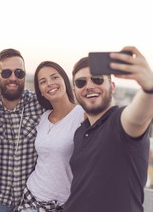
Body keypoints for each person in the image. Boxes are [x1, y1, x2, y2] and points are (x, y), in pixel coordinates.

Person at [64, 46, 153, 212]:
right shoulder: (80, 132)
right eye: (81, 82)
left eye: (97, 79)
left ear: (112, 86)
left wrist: (149, 88)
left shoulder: (120, 122)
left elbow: (138, 115)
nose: (89, 86)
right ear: (75, 91)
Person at [0, 49, 44, 212]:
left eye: (18, 73)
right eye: (6, 73)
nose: (13, 78)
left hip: (32, 200)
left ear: (24, 75)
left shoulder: (41, 104)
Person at [17, 61, 85, 212]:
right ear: (40, 91)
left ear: (65, 81)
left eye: (54, 77)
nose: (50, 83)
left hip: (61, 204)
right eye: (43, 81)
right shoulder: (43, 117)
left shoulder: (82, 116)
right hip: (31, 196)